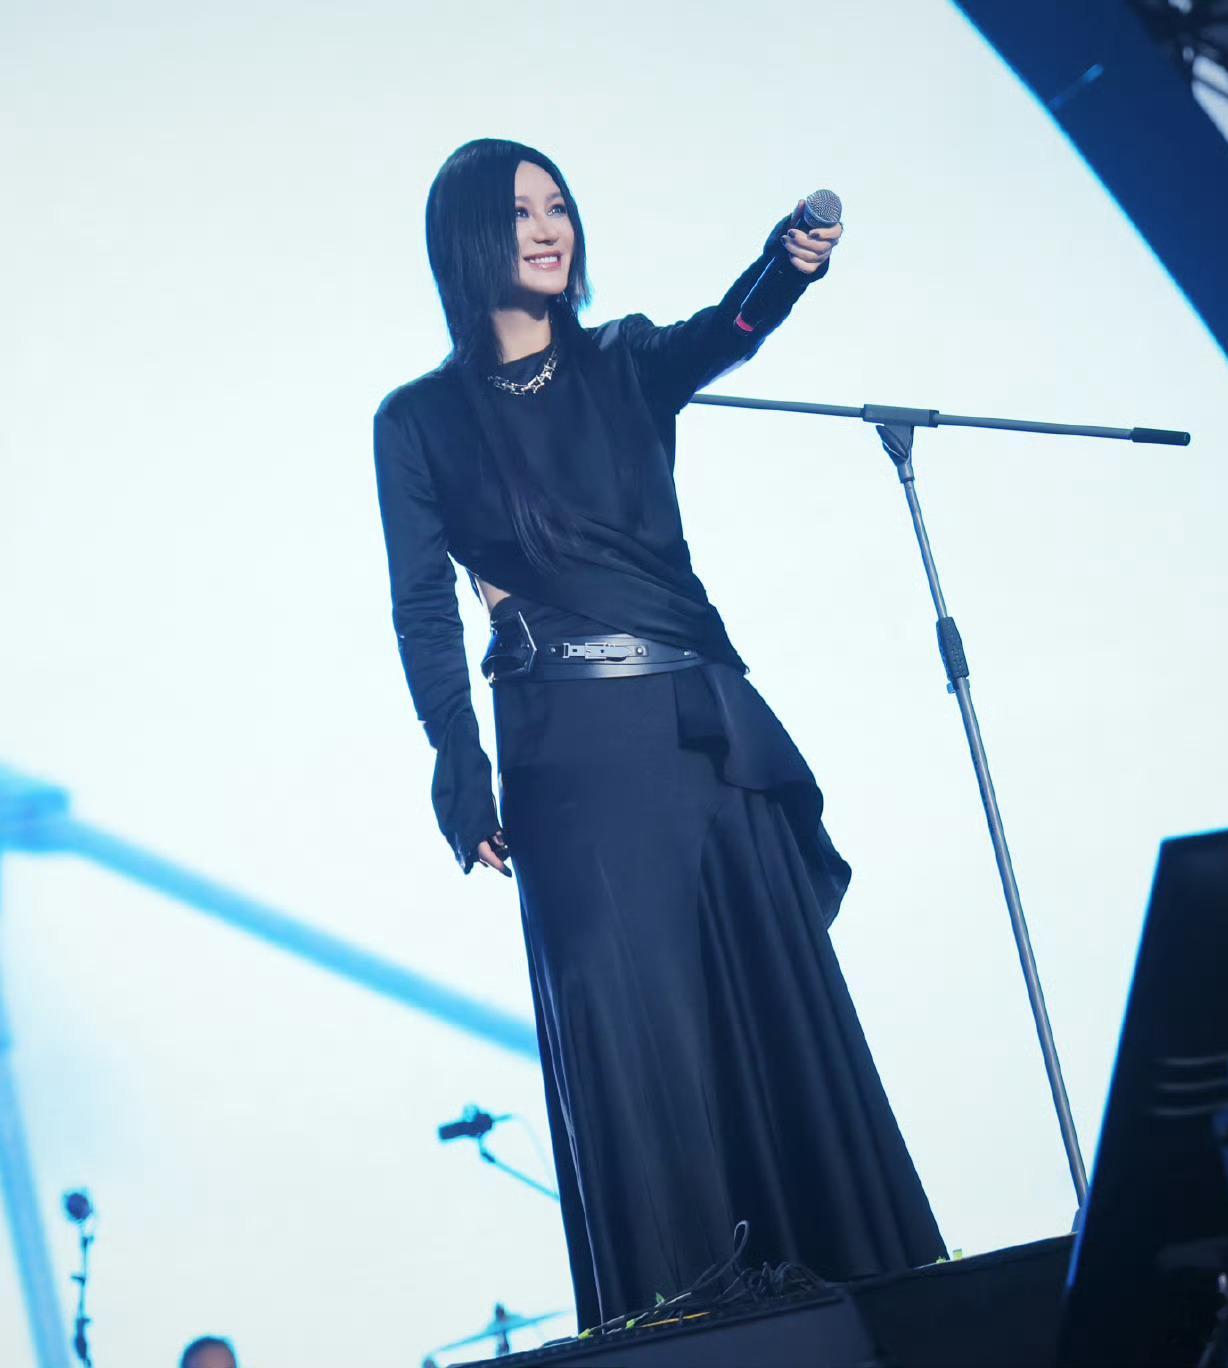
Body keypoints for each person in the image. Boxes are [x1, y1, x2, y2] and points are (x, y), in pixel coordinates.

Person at [372, 138, 945, 1330]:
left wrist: (783, 266)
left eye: (558, 206)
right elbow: (422, 606)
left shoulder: (621, 363)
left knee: (774, 1016)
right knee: (635, 1049)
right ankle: (683, 1331)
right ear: (467, 237)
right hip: (568, 758)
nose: (549, 228)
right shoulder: (418, 421)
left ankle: (872, 1312)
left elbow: (722, 333)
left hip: (697, 729)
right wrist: (457, 766)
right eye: (520, 212)